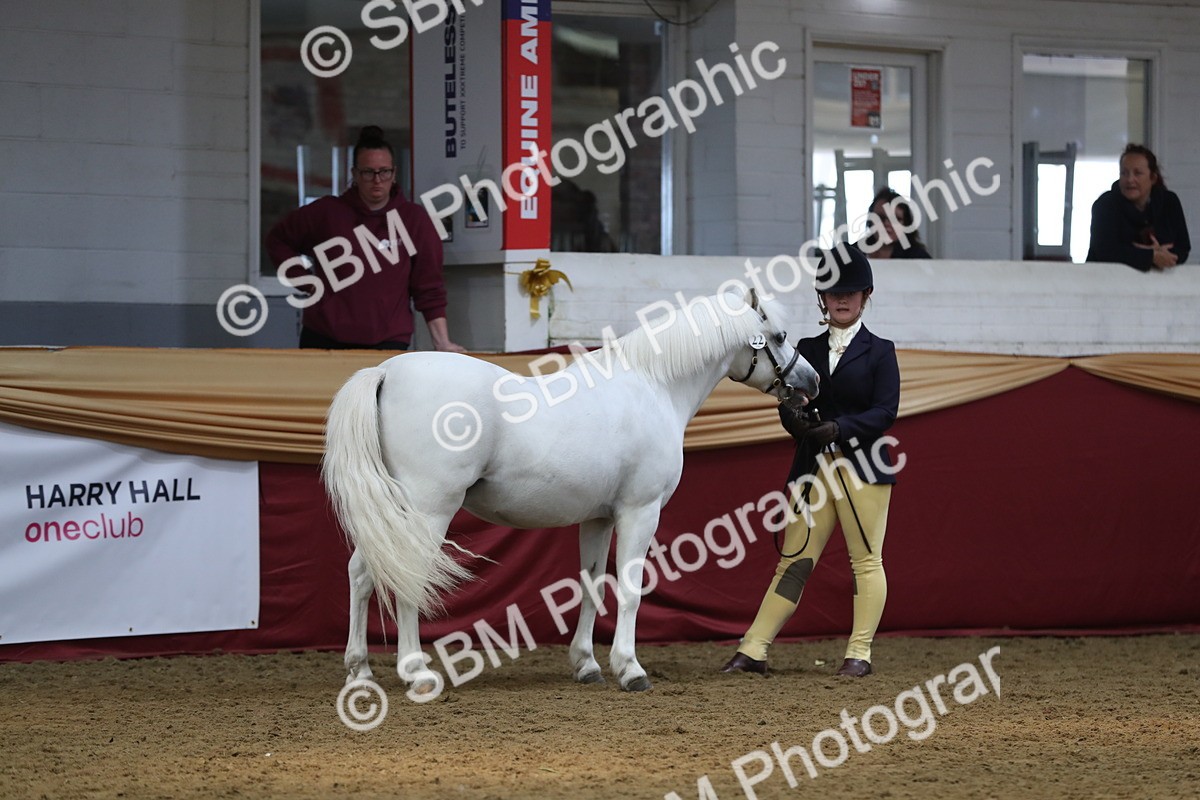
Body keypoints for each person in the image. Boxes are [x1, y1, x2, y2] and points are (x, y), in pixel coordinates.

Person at [721, 243, 900, 678]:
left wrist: (839, 429)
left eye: (851, 292)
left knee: (865, 560)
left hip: (863, 469)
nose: (842, 299)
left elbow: (885, 412)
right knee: (795, 559)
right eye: (834, 291)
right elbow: (793, 400)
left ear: (866, 295)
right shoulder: (805, 348)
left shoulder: (881, 350)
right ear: (821, 297)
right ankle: (754, 650)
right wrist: (794, 419)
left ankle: (859, 654)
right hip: (813, 470)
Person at [266, 125, 466, 351]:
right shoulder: (326, 213)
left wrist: (442, 342)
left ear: (394, 173)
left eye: (384, 172)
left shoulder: (414, 220)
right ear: (354, 174)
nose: (377, 180)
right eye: (368, 172)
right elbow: (277, 240)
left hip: (388, 340)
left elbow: (429, 286)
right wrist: (305, 280)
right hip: (324, 337)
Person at [1086, 143, 1190, 271]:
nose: (1130, 179)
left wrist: (1162, 255)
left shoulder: (1169, 202)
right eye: (1124, 173)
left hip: (1157, 284)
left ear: (1153, 178)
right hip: (1106, 282)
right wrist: (1150, 256)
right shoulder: (1105, 204)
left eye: (1137, 173)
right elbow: (1105, 251)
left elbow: (1183, 248)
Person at [859, 187, 931, 259]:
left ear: (906, 224)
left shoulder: (918, 257)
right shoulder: (854, 253)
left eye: (895, 219)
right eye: (880, 217)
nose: (886, 223)